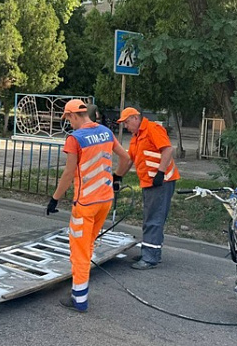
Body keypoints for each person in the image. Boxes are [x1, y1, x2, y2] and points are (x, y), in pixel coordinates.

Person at [47, 99, 131, 312]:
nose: (69, 123)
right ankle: (78, 287)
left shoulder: (75, 139)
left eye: (68, 119)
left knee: (80, 251)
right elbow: (126, 157)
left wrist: (55, 198)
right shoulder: (104, 132)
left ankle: (80, 299)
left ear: (74, 115)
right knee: (89, 244)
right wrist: (118, 177)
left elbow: (68, 173)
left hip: (85, 203)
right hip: (105, 200)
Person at [114, 107, 180, 270]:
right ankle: (150, 251)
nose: (126, 127)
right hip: (150, 182)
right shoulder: (137, 137)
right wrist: (118, 176)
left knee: (154, 219)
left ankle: (150, 257)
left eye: (127, 122)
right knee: (151, 217)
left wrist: (160, 173)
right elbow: (130, 159)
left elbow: (167, 149)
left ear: (135, 118)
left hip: (161, 182)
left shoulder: (152, 129)